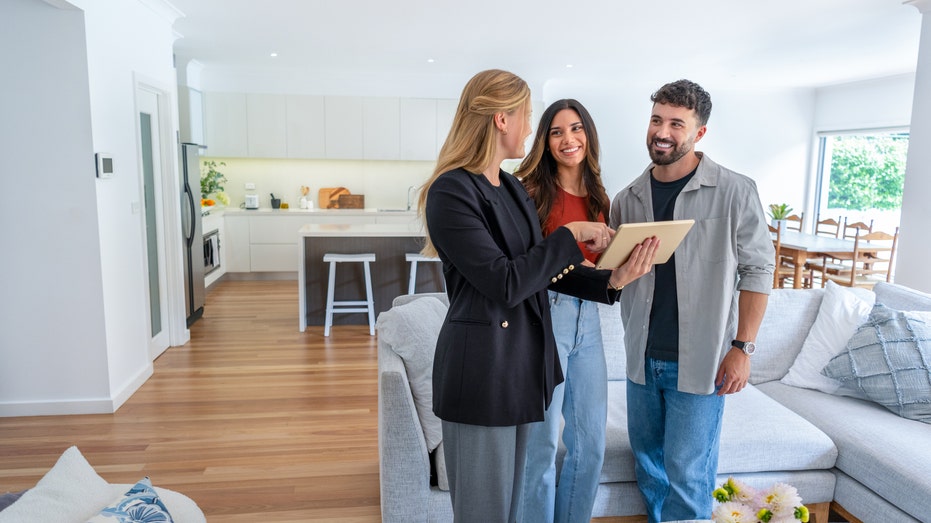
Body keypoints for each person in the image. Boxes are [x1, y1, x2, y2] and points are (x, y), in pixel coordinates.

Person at [419, 69, 658, 523]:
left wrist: (614, 280)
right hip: (483, 373)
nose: (530, 128)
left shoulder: (508, 188)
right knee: (484, 513)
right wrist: (568, 234)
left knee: (512, 510)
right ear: (501, 119)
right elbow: (505, 282)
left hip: (522, 369)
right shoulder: (450, 191)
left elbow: (545, 273)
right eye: (528, 116)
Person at [608, 79, 775, 523]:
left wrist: (743, 348)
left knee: (688, 475)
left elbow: (758, 270)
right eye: (657, 119)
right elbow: (614, 277)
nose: (662, 132)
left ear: (699, 133)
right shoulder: (627, 199)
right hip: (640, 361)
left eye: (676, 124)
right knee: (649, 469)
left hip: (700, 362)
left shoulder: (736, 191)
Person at [514, 99, 611, 523]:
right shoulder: (529, 191)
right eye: (556, 132)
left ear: (588, 135)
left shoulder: (599, 196)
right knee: (541, 445)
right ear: (545, 141)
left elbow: (599, 269)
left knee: (591, 443)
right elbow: (529, 265)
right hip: (544, 317)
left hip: (588, 318)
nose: (568, 139)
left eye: (576, 129)